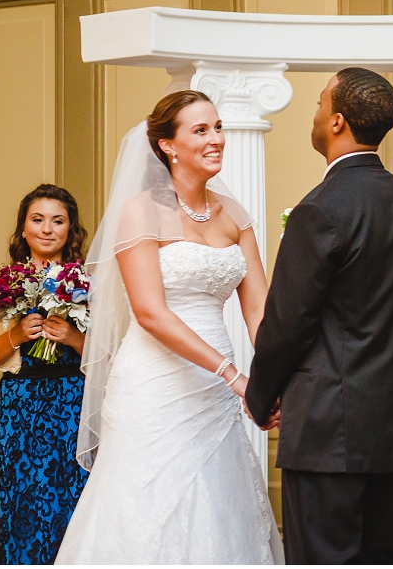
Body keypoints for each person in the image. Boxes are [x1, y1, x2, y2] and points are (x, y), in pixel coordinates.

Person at [55, 91, 284, 563]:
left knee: (221, 505)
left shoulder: (235, 215)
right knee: (146, 505)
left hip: (218, 389)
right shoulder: (140, 211)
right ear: (167, 145)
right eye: (200, 130)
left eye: (218, 127)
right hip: (155, 383)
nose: (216, 139)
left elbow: (260, 310)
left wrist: (271, 378)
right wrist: (233, 375)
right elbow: (151, 313)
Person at [245, 68, 393, 564]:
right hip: (390, 426)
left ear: (336, 121)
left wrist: (260, 395)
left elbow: (288, 322)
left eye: (316, 104)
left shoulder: (320, 209)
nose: (312, 114)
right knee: (387, 557)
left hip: (327, 429)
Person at [0, 184, 90, 564]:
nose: (47, 229)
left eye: (58, 221)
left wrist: (74, 337)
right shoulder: (3, 286)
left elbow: (112, 357)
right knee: (22, 503)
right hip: (19, 410)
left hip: (74, 406)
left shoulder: (90, 285)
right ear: (24, 229)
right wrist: (15, 334)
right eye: (38, 219)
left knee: (73, 501)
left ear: (71, 231)